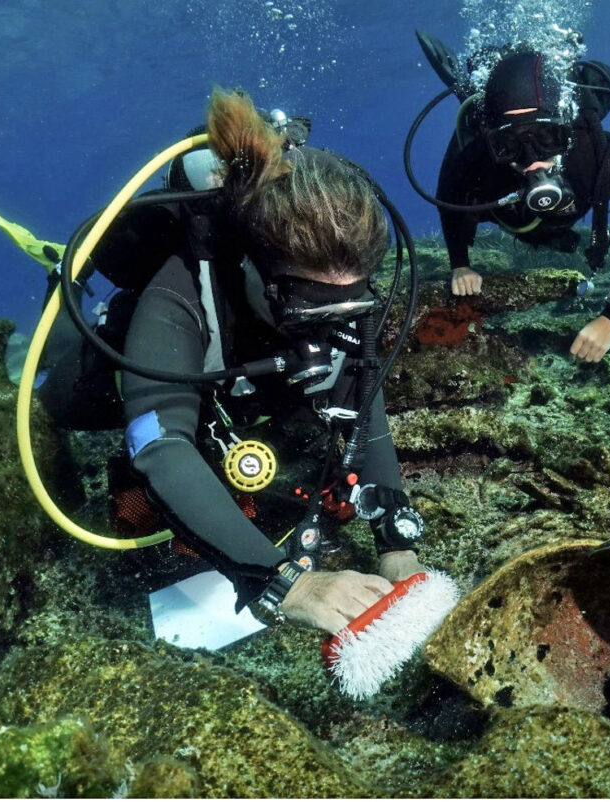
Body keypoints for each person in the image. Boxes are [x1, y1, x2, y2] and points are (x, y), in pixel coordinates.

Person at [119, 88, 425, 635]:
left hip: (254, 390)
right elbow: (160, 449)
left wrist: (394, 541)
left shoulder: (340, 284)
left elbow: (364, 387)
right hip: (188, 382)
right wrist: (287, 583)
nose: (330, 330)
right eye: (309, 310)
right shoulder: (180, 294)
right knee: (90, 429)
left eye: (351, 306)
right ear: (252, 266)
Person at [433, 48, 610, 362]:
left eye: (546, 136)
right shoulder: (476, 157)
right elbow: (449, 204)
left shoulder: (605, 154)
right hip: (508, 216)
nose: (532, 158)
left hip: (556, 226)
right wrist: (460, 264)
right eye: (510, 144)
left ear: (566, 126)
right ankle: (473, 92)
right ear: (494, 141)